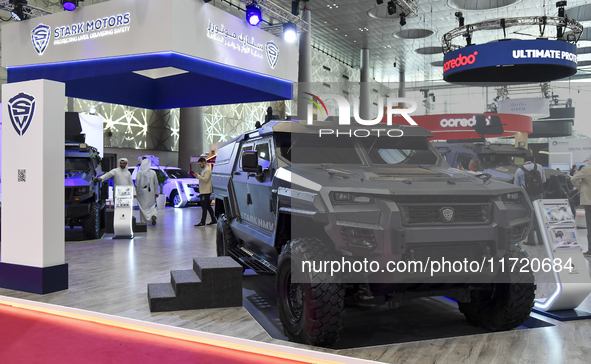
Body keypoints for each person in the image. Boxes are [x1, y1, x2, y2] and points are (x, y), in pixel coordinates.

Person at [514, 155, 546, 246]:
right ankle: (541, 240)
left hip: (526, 196)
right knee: (539, 217)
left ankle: (531, 240)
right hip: (539, 195)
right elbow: (543, 180)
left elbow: (516, 185)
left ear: (524, 160)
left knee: (529, 217)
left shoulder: (520, 170)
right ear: (533, 160)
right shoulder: (539, 167)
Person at [571, 156, 591, 256]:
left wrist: (581, 189)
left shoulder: (586, 169)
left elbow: (574, 179)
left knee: (590, 226)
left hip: (589, 201)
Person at [192, 157, 216, 227]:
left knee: (204, 206)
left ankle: (203, 222)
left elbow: (205, 179)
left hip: (206, 191)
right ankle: (213, 219)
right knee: (208, 206)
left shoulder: (207, 170)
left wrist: (198, 176)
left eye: (200, 164)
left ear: (204, 163)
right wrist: (198, 175)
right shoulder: (204, 170)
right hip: (204, 191)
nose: (200, 166)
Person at [136, 158, 159, 225]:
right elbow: (156, 183)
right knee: (151, 205)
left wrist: (136, 192)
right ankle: (153, 215)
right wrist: (156, 192)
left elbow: (137, 183)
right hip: (151, 193)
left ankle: (144, 221)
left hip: (142, 193)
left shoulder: (139, 173)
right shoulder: (153, 172)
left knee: (143, 207)